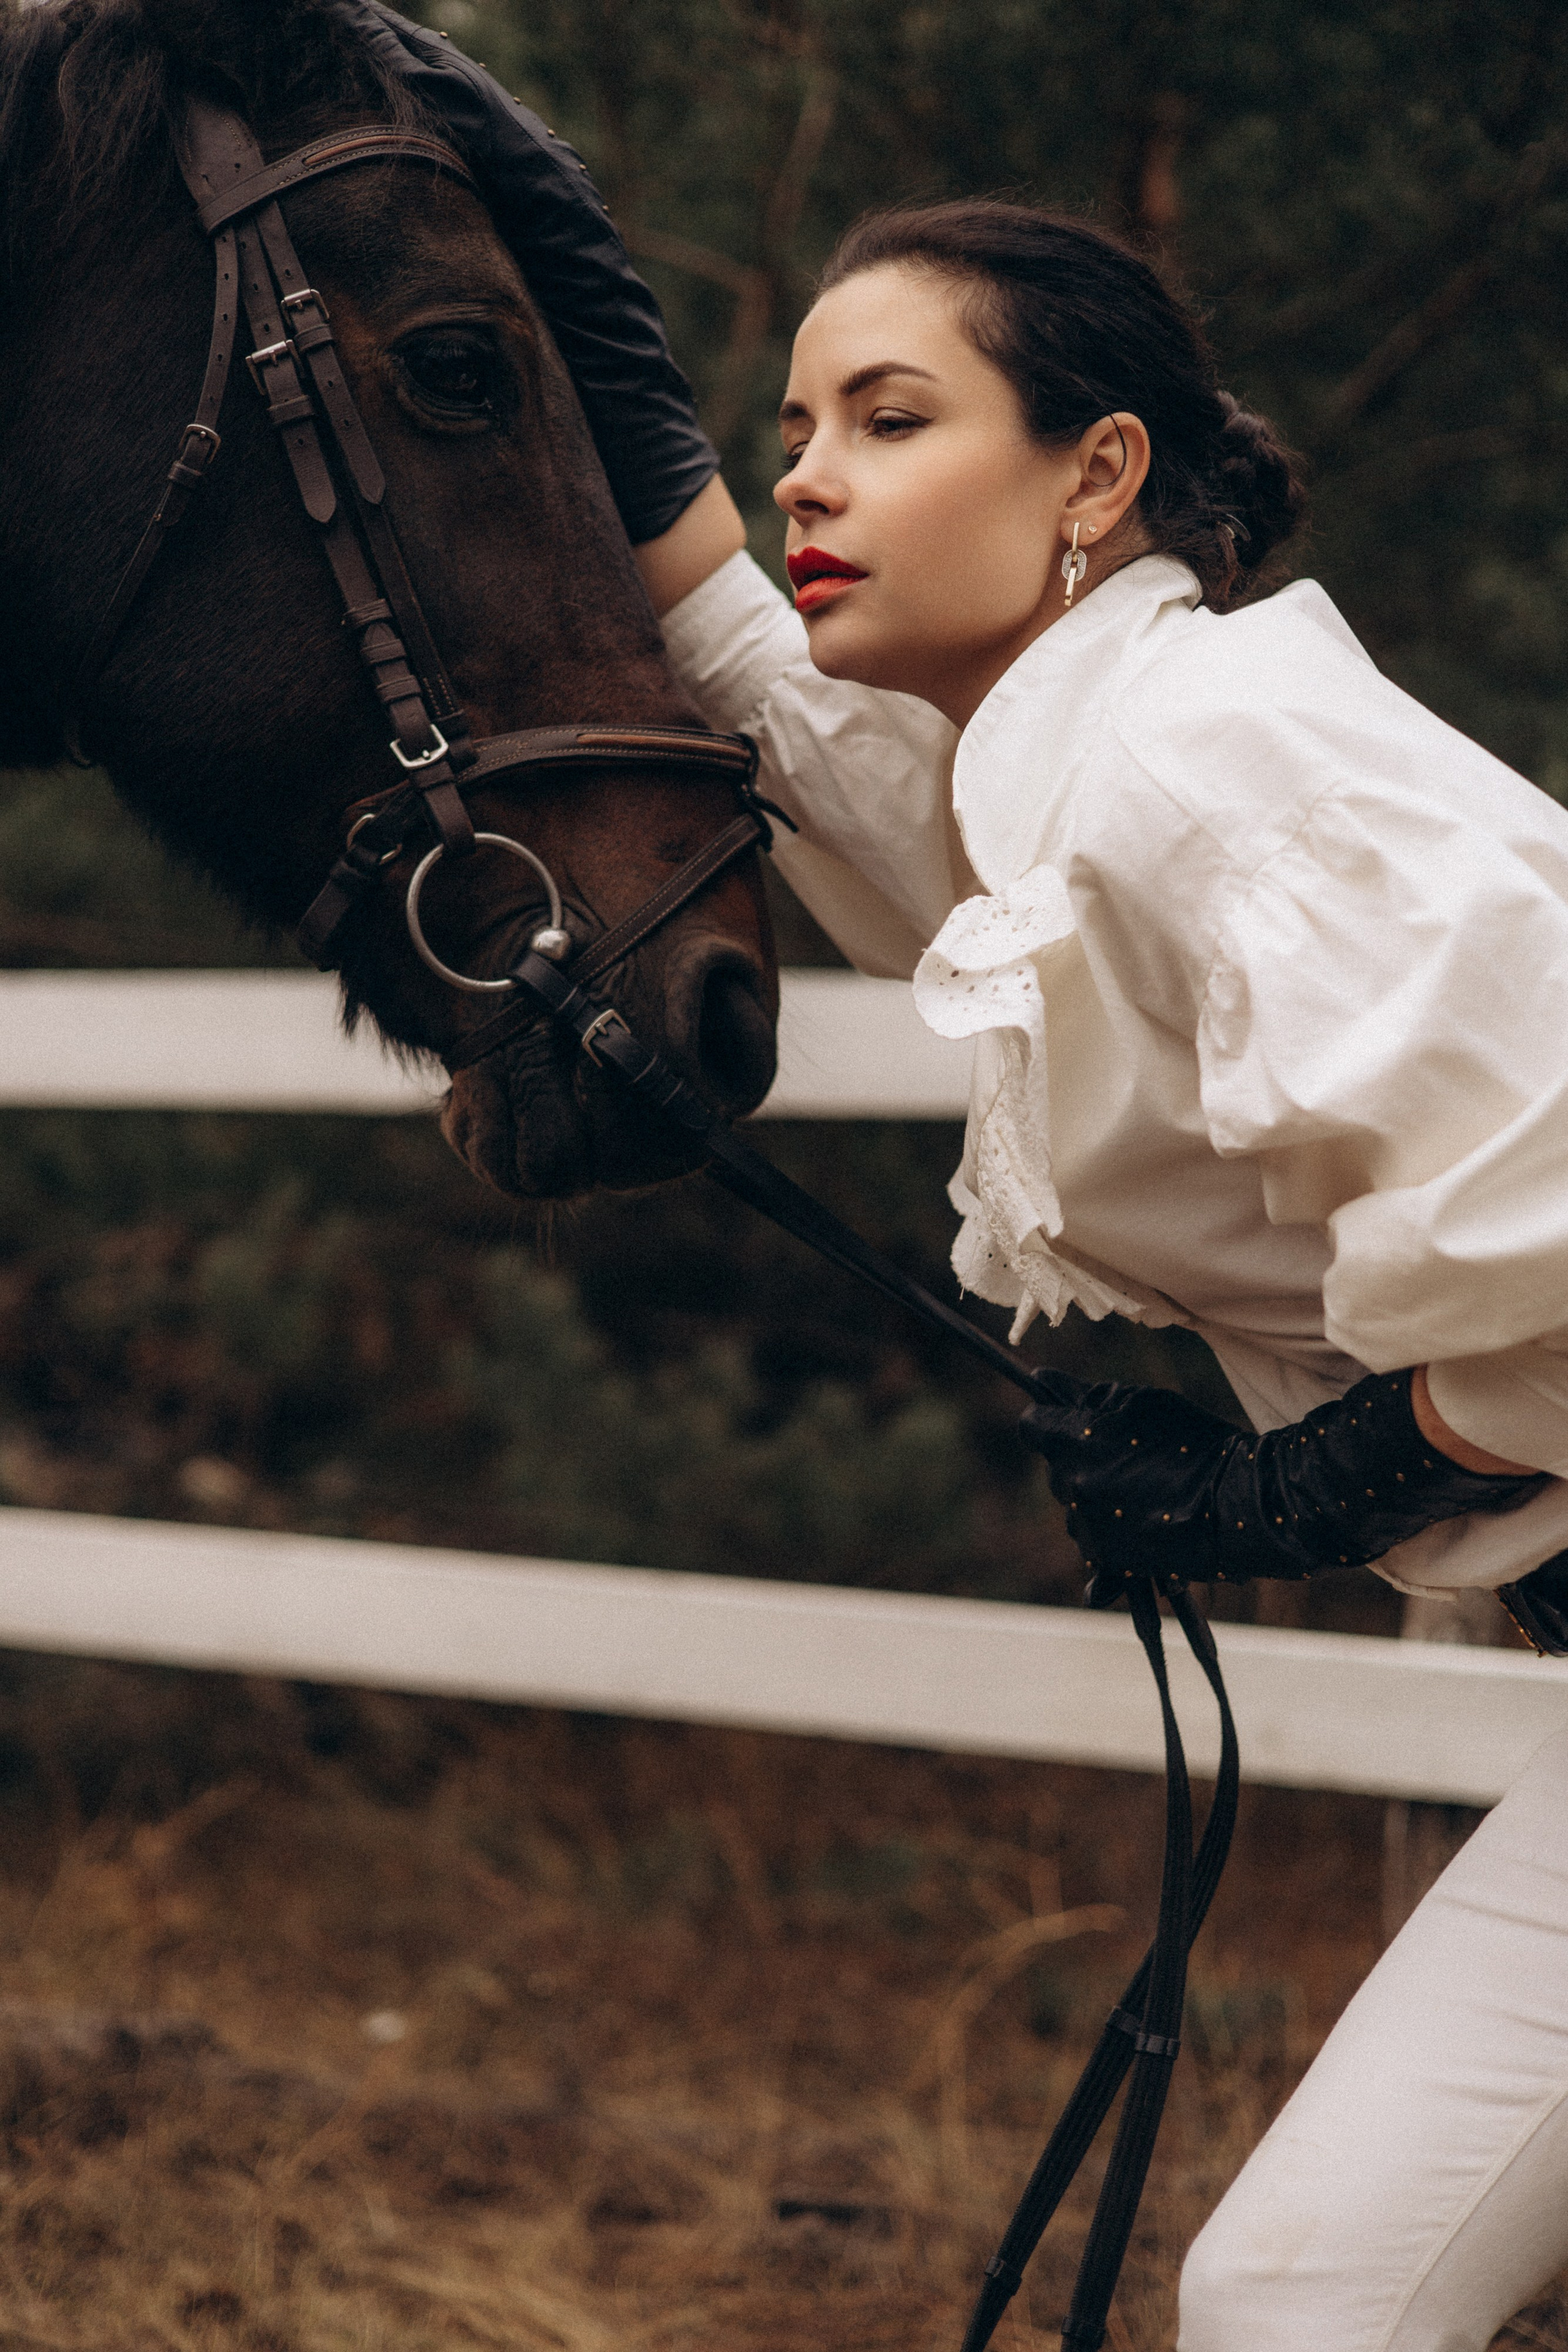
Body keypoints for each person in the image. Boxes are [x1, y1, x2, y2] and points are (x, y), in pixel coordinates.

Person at [347, 13, 1568, 2345]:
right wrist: (513, 198)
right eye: (796, 423)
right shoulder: (1047, 792)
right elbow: (747, 658)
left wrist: (1300, 1494)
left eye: (889, 424)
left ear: (1097, 471)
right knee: (1309, 2297)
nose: (807, 473)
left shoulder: (1222, 766)